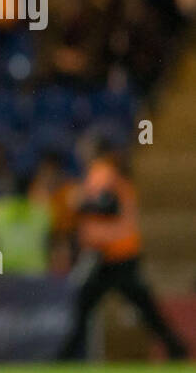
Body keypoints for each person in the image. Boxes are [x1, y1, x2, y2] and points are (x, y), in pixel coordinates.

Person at [58, 136, 188, 361]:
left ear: (95, 149)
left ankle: (65, 358)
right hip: (112, 255)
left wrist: (81, 204)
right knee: (92, 305)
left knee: (96, 306)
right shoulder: (110, 172)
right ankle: (176, 349)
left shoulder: (102, 173)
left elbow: (110, 206)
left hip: (116, 255)